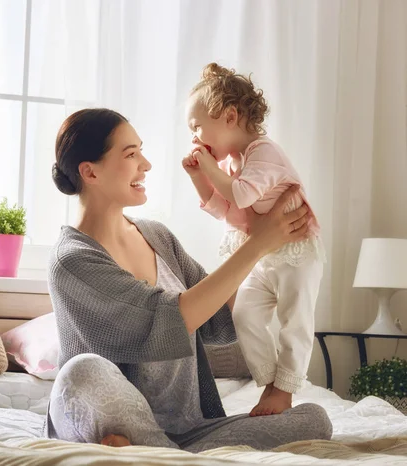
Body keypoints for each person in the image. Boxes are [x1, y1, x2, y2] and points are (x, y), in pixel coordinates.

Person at [45, 108, 332, 452]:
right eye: (131, 154)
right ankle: (159, 451)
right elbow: (173, 318)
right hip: (114, 413)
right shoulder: (73, 260)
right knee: (82, 373)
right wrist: (258, 244)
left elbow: (219, 317)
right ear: (90, 172)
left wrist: (273, 247)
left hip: (190, 430)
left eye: (141, 150)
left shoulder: (157, 236)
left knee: (315, 419)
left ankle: (156, 453)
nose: (146, 164)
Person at [183, 63, 326, 416]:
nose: (196, 136)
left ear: (230, 116)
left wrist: (211, 168)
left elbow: (243, 196)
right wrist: (198, 176)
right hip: (264, 254)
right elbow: (225, 210)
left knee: (296, 321)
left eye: (198, 126)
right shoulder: (232, 163)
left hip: (297, 252)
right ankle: (268, 382)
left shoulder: (264, 152)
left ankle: (285, 391)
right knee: (244, 313)